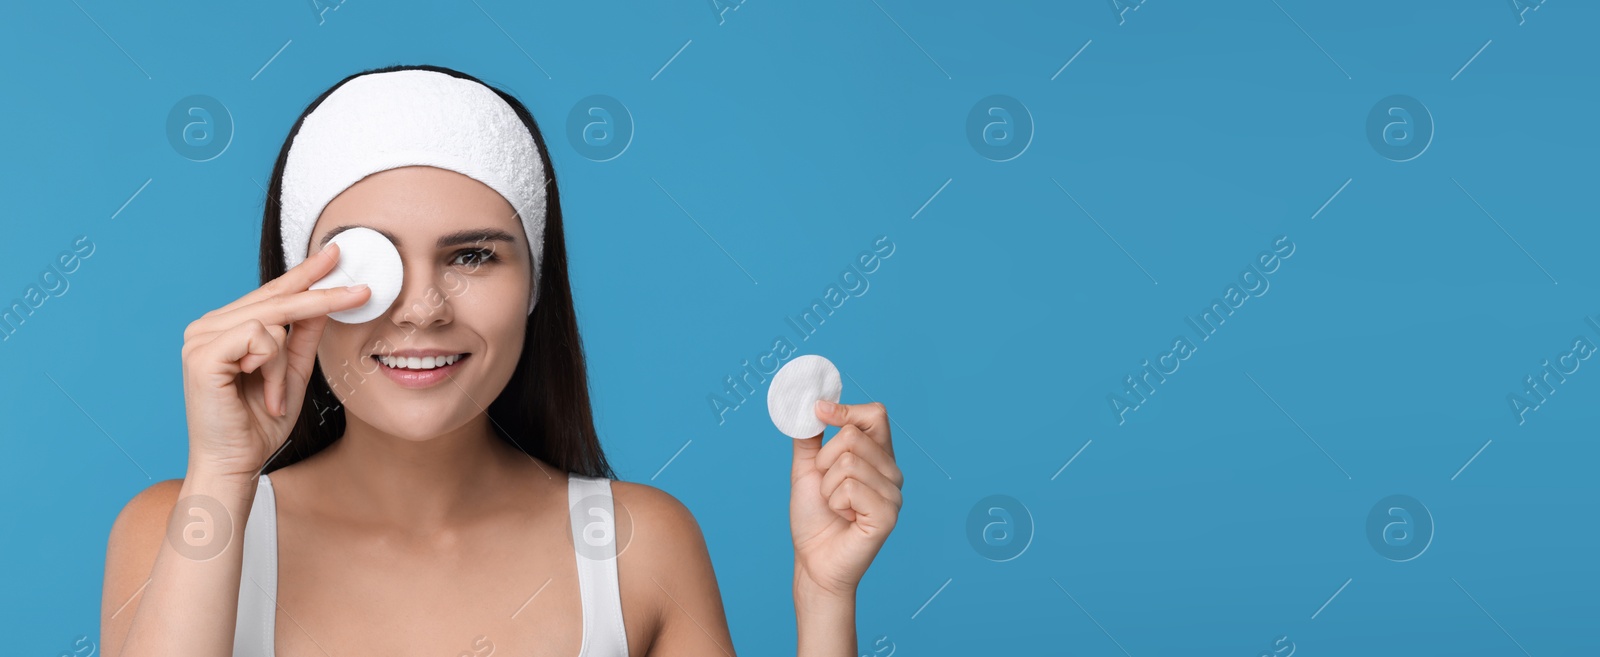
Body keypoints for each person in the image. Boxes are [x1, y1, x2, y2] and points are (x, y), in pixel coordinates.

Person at [100, 64, 905, 656]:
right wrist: (221, 472)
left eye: (474, 256)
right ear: (292, 291)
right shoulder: (181, 529)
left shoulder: (639, 548)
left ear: (533, 285)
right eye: (366, 263)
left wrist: (825, 597)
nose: (421, 307)